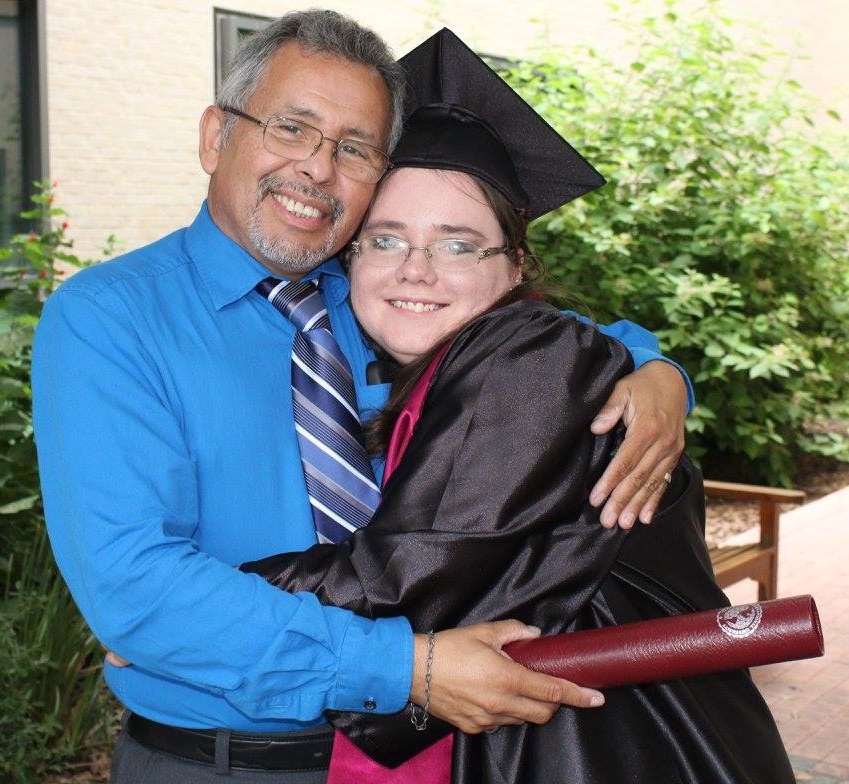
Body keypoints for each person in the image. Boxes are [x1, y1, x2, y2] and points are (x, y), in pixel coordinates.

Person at [32, 10, 690, 784]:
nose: (316, 169)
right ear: (215, 137)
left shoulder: (373, 295)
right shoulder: (111, 318)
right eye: (291, 128)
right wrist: (404, 667)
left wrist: (656, 370)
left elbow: (542, 336)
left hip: (431, 753)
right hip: (222, 763)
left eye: (354, 149)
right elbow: (135, 579)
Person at [239, 28, 796, 784]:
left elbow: (400, 573)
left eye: (459, 244)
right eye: (384, 239)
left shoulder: (526, 357)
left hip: (616, 749)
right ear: (349, 256)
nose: (416, 269)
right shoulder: (428, 362)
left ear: (516, 266)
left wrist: (196, 611)